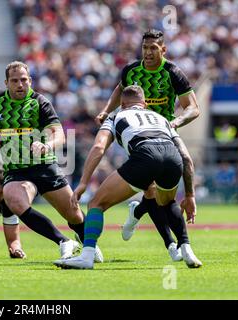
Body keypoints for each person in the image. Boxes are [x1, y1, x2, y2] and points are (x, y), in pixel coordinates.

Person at [54, 86, 202, 269]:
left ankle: (87, 256)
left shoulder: (116, 116)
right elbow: (186, 157)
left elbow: (99, 148)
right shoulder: (161, 118)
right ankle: (186, 248)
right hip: (173, 158)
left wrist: (83, 182)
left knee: (96, 204)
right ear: (145, 103)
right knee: (167, 202)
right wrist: (189, 195)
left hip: (145, 155)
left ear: (122, 104)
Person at [0, 61, 103, 262]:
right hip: (15, 170)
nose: (20, 84)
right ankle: (64, 242)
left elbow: (59, 134)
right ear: (6, 82)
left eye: (24, 80)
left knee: (73, 214)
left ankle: (88, 243)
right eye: (15, 81)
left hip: (45, 166)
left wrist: (47, 145)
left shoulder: (40, 102)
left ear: (30, 80)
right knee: (13, 200)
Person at [95, 29, 200, 259]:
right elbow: (119, 90)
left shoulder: (172, 72)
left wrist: (177, 121)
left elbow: (193, 107)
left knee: (176, 170)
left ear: (163, 49)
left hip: (164, 130)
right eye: (145, 48)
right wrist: (105, 111)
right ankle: (172, 246)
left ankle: (138, 210)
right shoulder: (132, 70)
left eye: (153, 48)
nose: (149, 52)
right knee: (152, 189)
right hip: (138, 135)